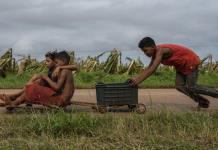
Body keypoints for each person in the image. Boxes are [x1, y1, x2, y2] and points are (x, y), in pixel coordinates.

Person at [130, 37, 218, 108]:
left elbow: (153, 69)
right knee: (179, 86)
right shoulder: (154, 55)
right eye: (143, 52)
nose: (145, 53)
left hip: (190, 62)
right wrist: (136, 78)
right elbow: (148, 69)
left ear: (153, 47)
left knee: (192, 87)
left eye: (146, 50)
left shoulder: (161, 51)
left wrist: (138, 81)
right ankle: (202, 101)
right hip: (181, 67)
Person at [3, 51, 76, 108]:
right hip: (62, 100)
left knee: (34, 89)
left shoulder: (65, 71)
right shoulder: (64, 70)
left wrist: (45, 77)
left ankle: (13, 103)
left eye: (56, 62)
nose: (56, 64)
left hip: (60, 101)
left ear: (63, 61)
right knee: (36, 85)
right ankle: (14, 101)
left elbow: (57, 88)